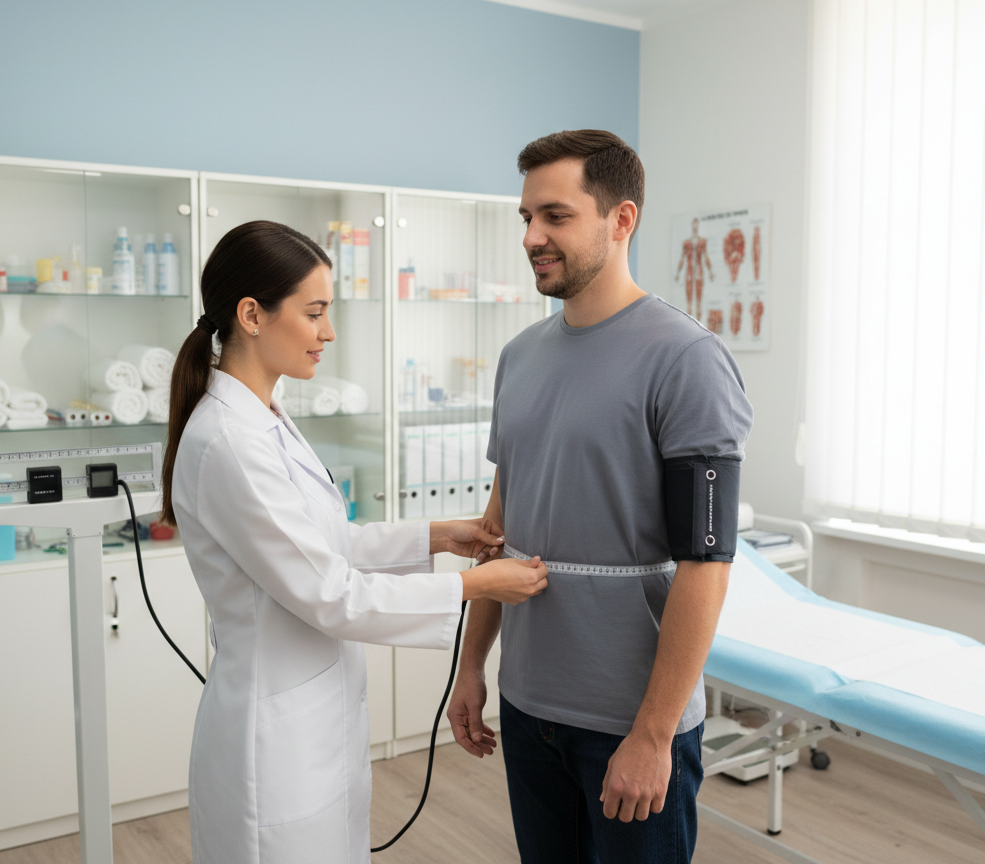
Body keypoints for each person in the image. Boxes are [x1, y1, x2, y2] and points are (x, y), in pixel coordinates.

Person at [160, 220, 549, 864]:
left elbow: (327, 542)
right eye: (314, 313)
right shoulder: (229, 440)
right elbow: (329, 594)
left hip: (314, 725)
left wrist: (441, 534)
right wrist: (478, 585)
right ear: (252, 315)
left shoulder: (267, 419)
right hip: (273, 743)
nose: (328, 332)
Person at [447, 131, 753, 863]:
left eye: (555, 216)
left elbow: (705, 566)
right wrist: (469, 668)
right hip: (527, 708)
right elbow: (501, 532)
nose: (532, 237)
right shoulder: (520, 357)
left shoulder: (687, 360)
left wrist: (652, 734)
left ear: (621, 220)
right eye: (526, 218)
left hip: (630, 720)